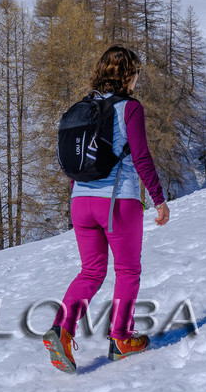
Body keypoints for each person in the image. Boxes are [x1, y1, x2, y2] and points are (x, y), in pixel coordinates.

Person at [43, 45, 169, 371]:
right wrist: (158, 199)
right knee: (127, 270)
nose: (137, 80)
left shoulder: (82, 108)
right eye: (136, 73)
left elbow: (75, 162)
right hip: (117, 202)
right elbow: (141, 157)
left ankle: (62, 330)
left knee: (91, 272)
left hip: (80, 202)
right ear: (128, 74)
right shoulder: (129, 108)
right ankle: (121, 337)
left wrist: (80, 197)